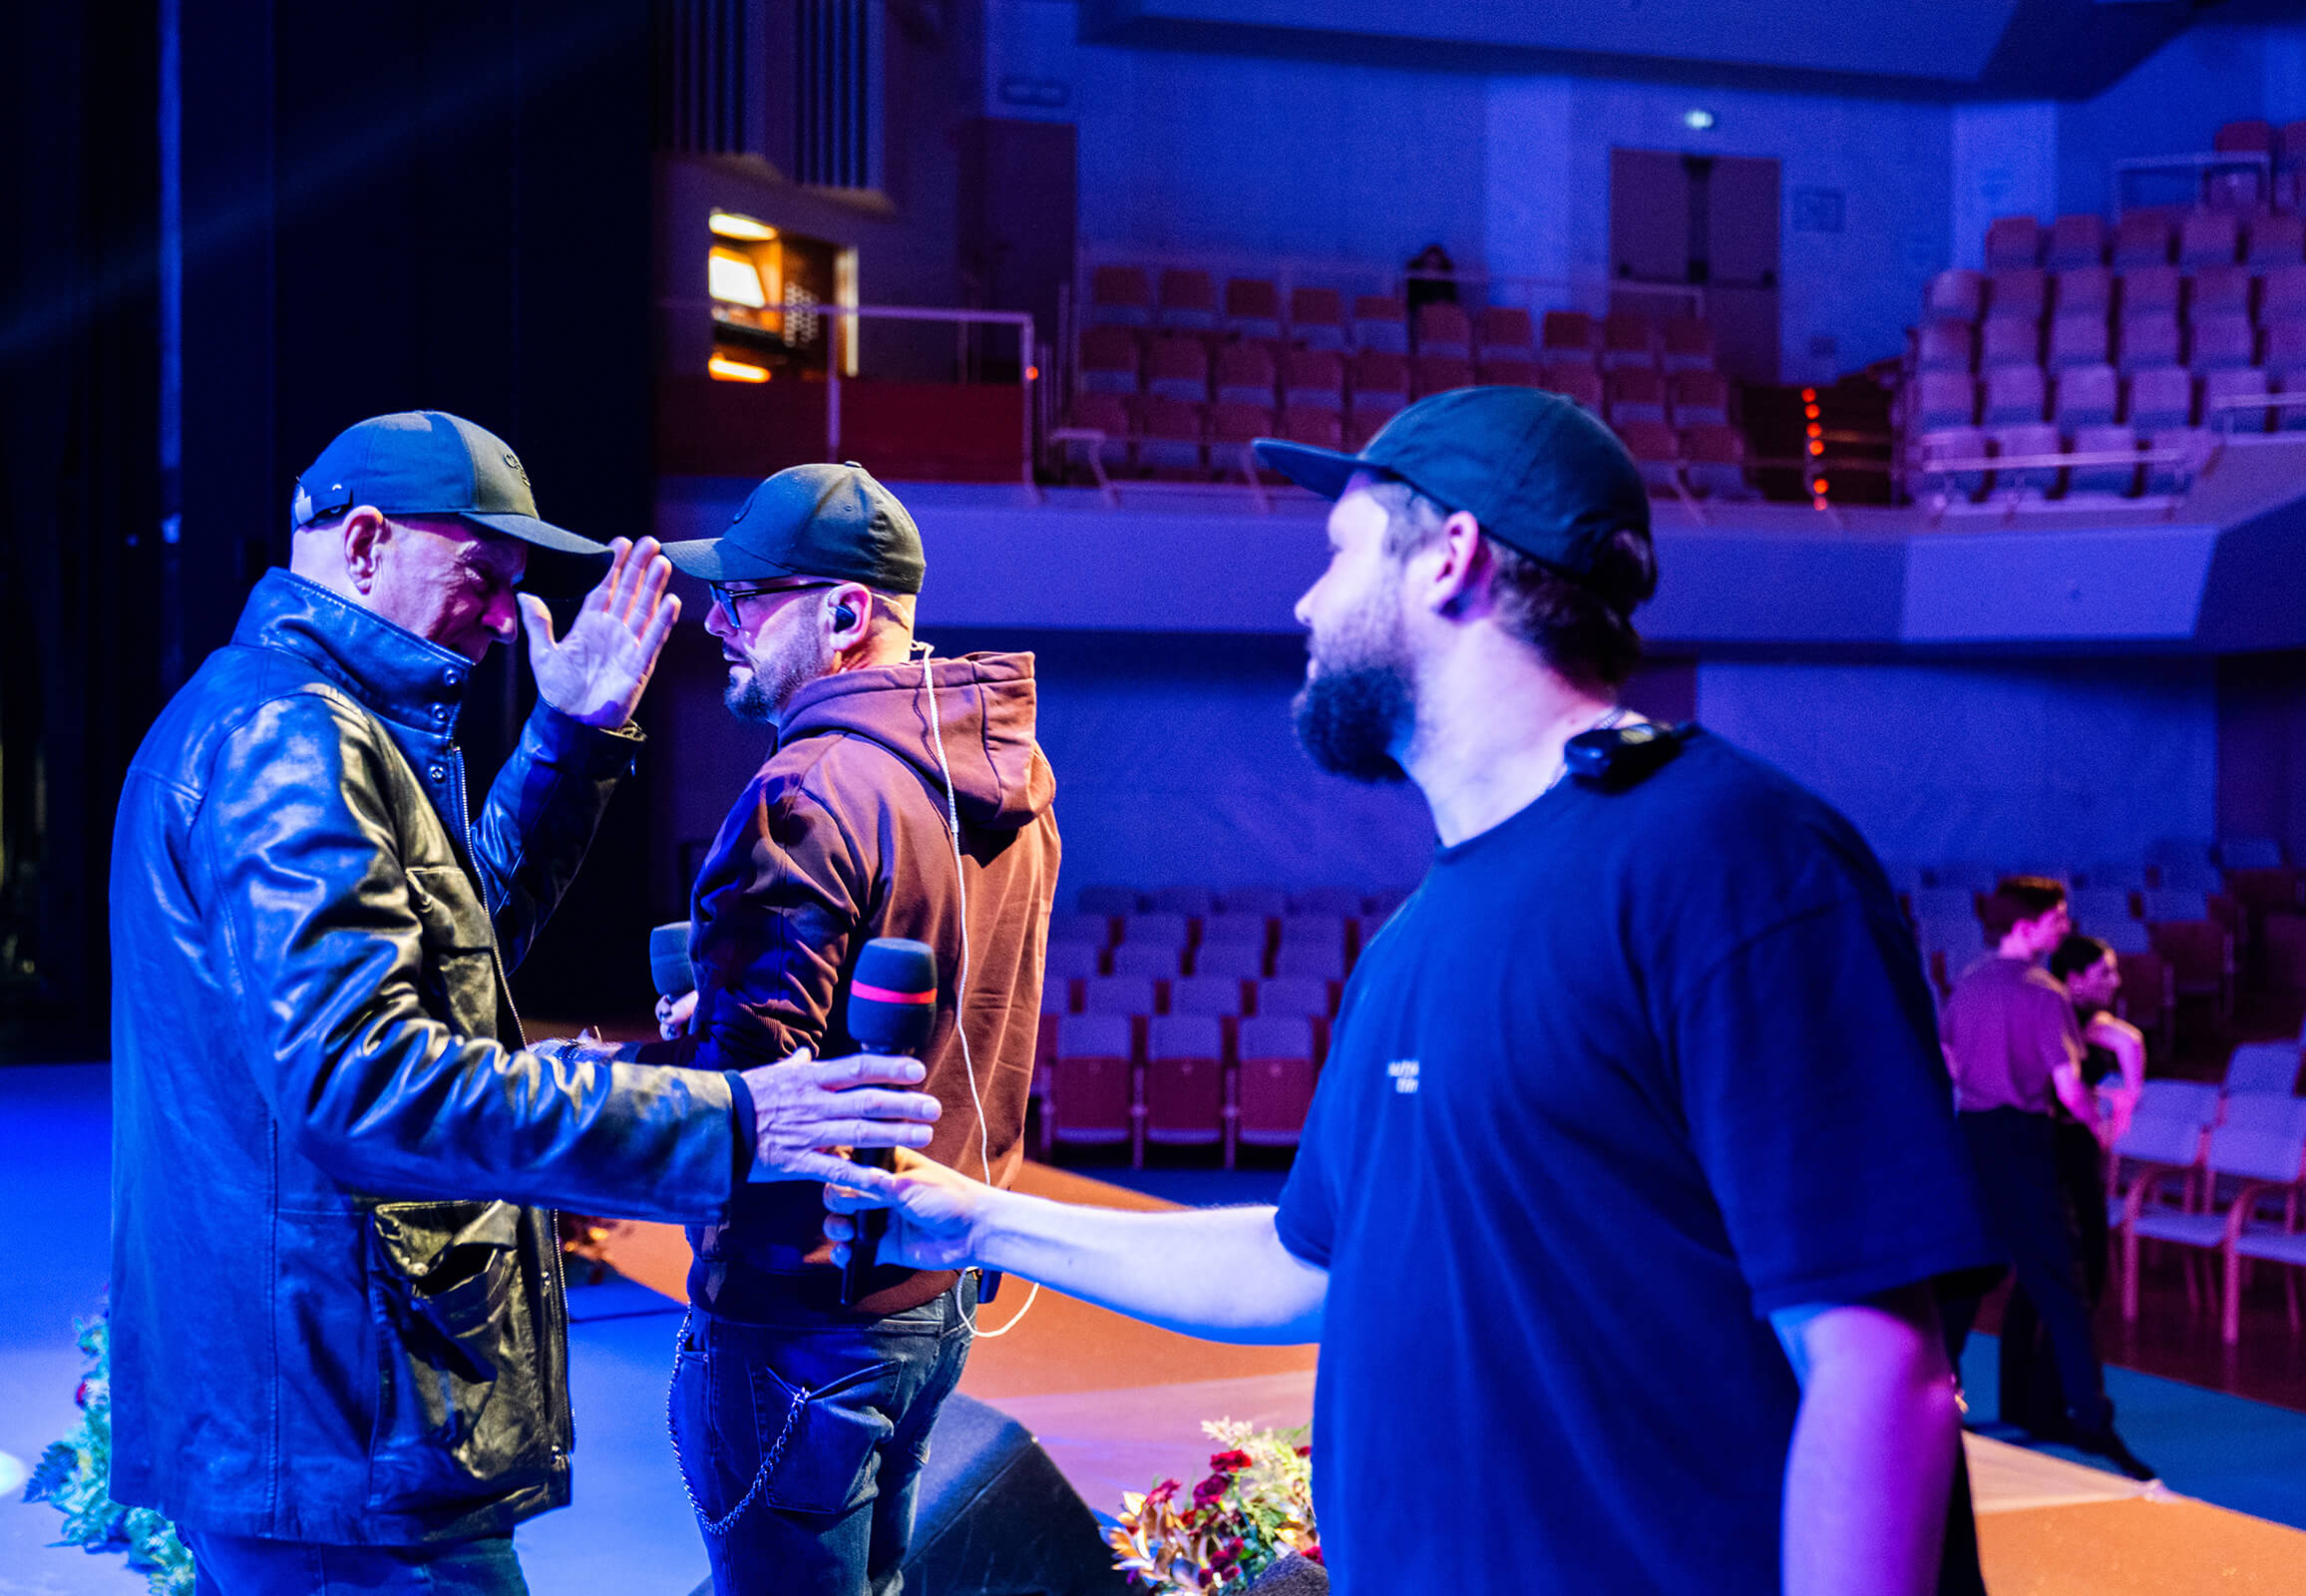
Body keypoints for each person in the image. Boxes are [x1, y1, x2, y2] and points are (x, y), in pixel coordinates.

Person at [825, 387, 2000, 1595]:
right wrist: (969, 1220)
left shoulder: (1729, 858)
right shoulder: (1417, 937)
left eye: (1339, 553)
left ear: (1452, 558)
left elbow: (1878, 1371)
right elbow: (1307, 1267)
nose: (1306, 600)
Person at [108, 412, 944, 1596]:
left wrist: (571, 743)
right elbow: (367, 1085)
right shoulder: (290, 740)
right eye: (482, 578)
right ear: (362, 543)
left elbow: (451, 952)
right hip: (346, 1435)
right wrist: (730, 1119)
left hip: (327, 1415)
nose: (506, 617)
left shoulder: (295, 716)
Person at [655, 462, 1059, 1596]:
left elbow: (746, 1099)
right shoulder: (1017, 785)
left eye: (748, 595)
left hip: (798, 1318)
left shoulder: (808, 790)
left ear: (845, 614)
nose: (715, 618)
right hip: (932, 1304)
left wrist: (650, 1070)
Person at [1936, 880, 2156, 1479]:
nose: (2064, 926)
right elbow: (2066, 1089)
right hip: (2025, 1143)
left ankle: (1938, 1408)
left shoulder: (1971, 981)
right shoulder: (2042, 993)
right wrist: (2098, 1121)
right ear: (2028, 924)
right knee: (2063, 1287)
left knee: (1961, 1287)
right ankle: (2092, 1421)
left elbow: (1951, 1062)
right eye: (2057, 918)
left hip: (1972, 1137)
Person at [1992, 933, 2145, 1434]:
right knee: (2076, 1277)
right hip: (2060, 1157)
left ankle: (2024, 1403)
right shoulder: (2056, 1017)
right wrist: (2106, 1121)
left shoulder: (2068, 1019)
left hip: (2045, 1156)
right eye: (2105, 973)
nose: (2115, 981)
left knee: (2040, 1281)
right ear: (2075, 979)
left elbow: (2129, 1042)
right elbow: (2091, 1072)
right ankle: (2047, 1406)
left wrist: (2124, 1102)